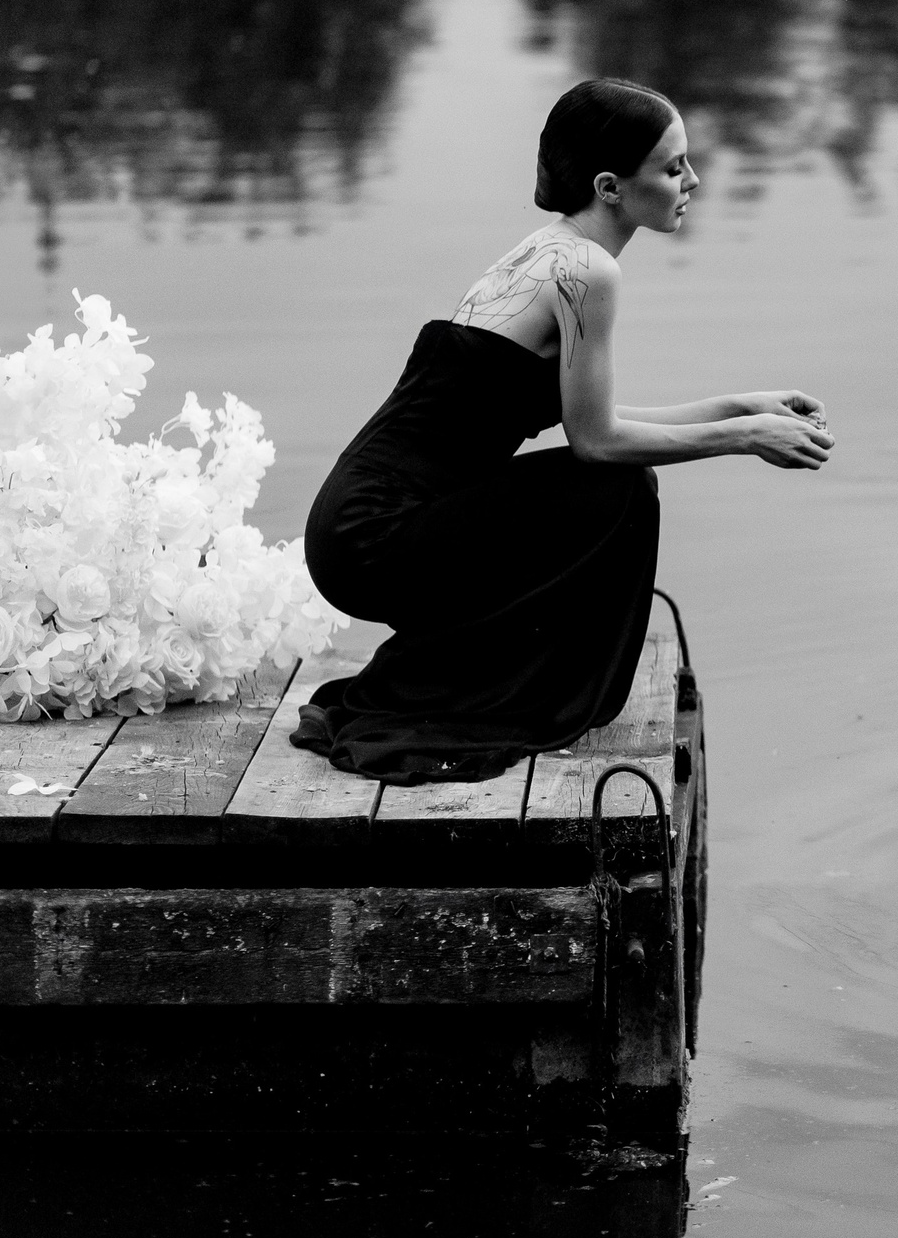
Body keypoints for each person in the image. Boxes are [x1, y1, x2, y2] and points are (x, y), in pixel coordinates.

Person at [295, 76, 832, 783]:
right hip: (377, 538)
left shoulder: (550, 251)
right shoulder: (589, 273)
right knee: (619, 489)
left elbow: (594, 423)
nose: (693, 180)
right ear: (610, 187)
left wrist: (739, 407)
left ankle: (492, 676)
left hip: (352, 528)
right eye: (673, 167)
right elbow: (598, 444)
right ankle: (508, 689)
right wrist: (745, 439)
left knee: (615, 482)